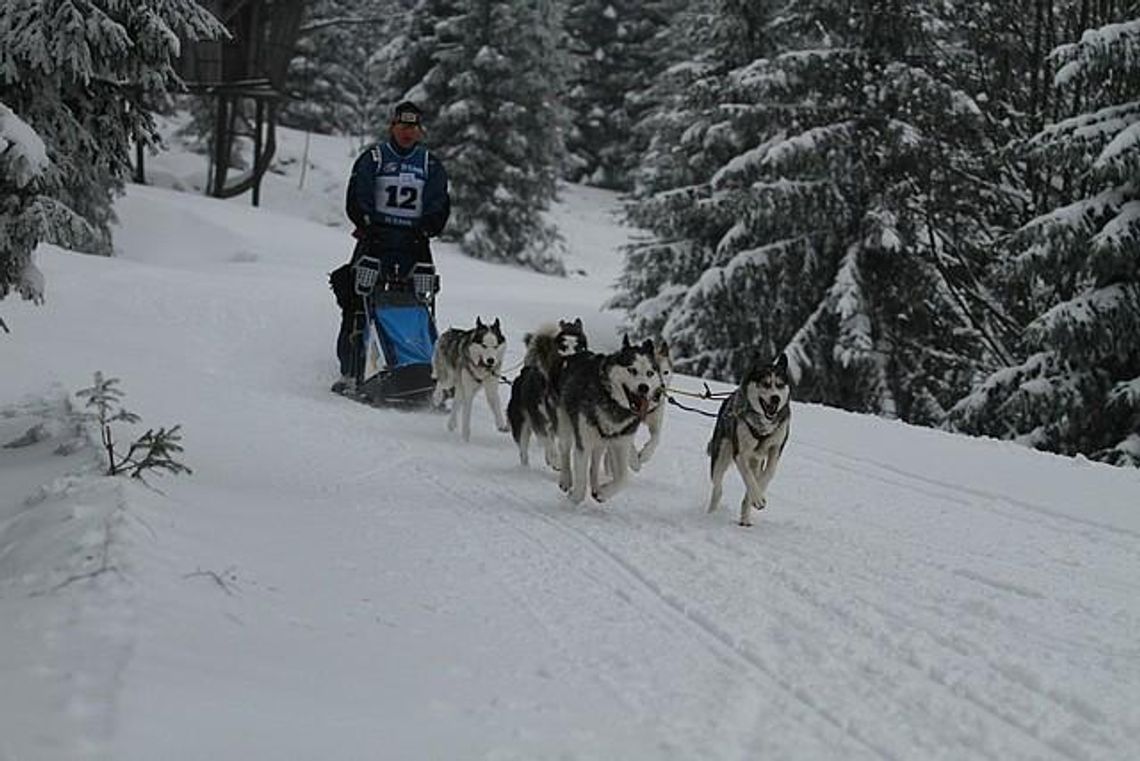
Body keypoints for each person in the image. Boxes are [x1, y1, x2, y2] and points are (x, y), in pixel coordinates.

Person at [331, 101, 451, 392]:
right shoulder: (374, 157)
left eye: (413, 128)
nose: (407, 133)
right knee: (357, 300)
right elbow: (358, 194)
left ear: (420, 131)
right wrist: (369, 222)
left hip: (414, 243)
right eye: (402, 127)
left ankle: (421, 365)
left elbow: (439, 202)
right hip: (376, 240)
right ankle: (353, 370)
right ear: (392, 127)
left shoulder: (429, 164)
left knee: (418, 304)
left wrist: (426, 227)